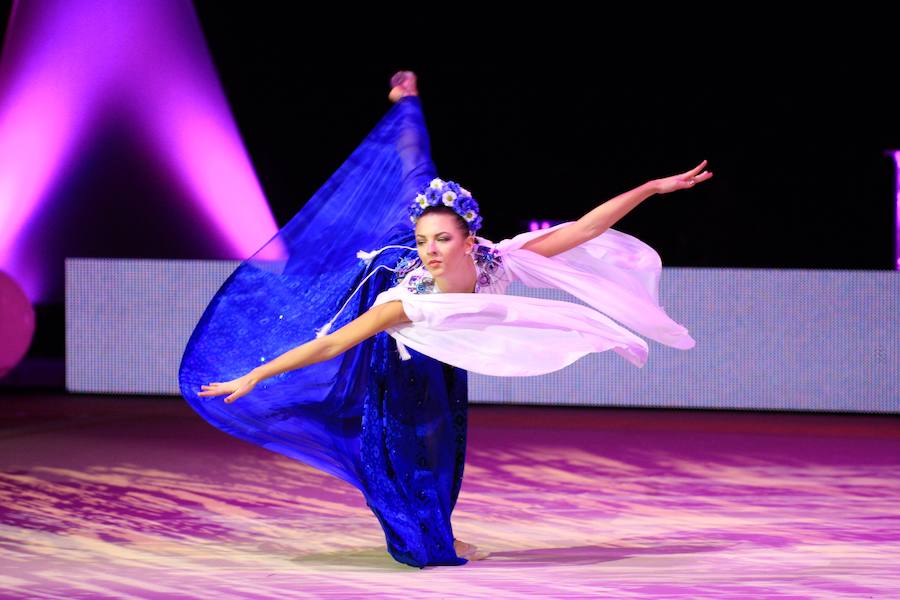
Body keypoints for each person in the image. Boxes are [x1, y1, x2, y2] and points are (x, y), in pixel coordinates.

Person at [182, 71, 711, 568]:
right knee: (403, 455)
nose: (431, 251)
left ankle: (409, 99)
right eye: (423, 241)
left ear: (469, 240)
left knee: (444, 447)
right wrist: (254, 375)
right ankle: (426, 535)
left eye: (442, 240)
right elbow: (329, 347)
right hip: (400, 360)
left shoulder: (497, 259)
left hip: (447, 356)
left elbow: (587, 229)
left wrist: (651, 188)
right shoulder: (406, 300)